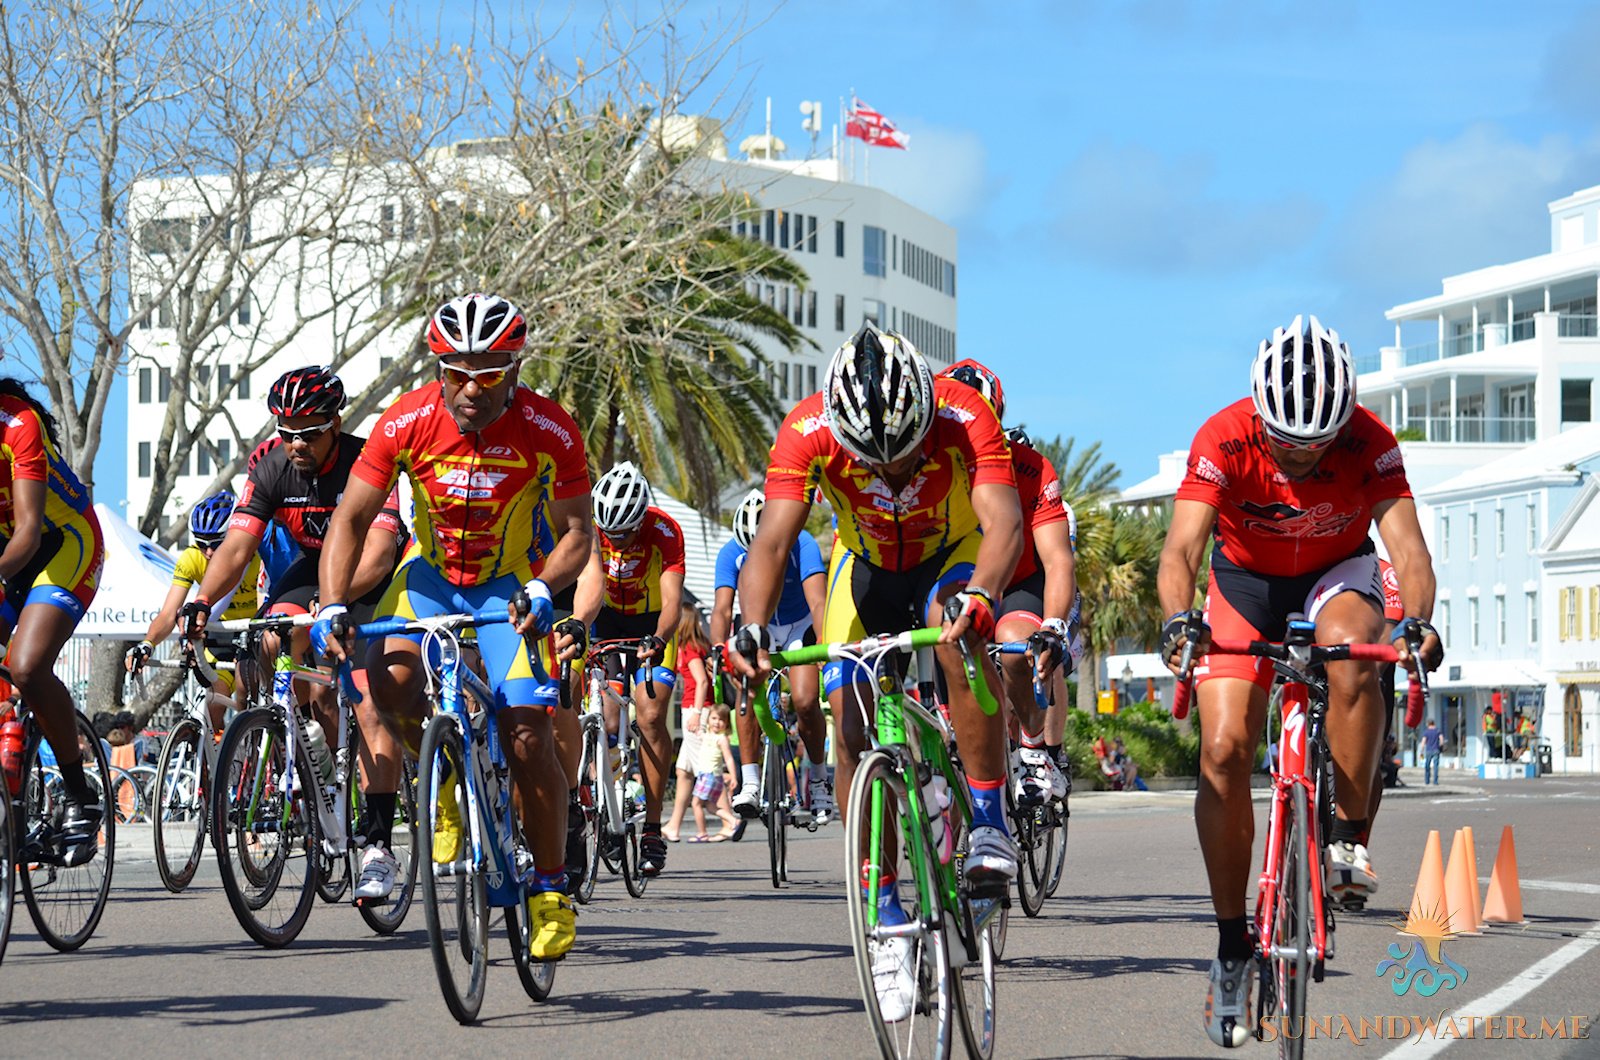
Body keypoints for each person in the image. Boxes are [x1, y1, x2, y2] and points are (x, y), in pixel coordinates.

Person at [1156, 314, 1443, 1048]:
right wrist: (1178, 619)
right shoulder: (1222, 436)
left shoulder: (1372, 443)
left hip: (1335, 575)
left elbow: (1408, 550)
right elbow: (1183, 550)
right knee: (1221, 751)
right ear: (1260, 413)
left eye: (1318, 445)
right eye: (1288, 443)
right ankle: (1230, 948)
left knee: (1353, 652)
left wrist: (1419, 623)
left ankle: (1347, 837)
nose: (1303, 456)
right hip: (1244, 581)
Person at [731, 323, 1023, 1025]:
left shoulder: (963, 412)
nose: (892, 473)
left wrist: (984, 595)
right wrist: (749, 628)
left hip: (949, 555)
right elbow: (772, 541)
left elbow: (1004, 520)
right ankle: (883, 911)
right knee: (847, 710)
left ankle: (986, 817)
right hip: (863, 570)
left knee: (958, 626)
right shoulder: (806, 430)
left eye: (907, 456)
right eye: (874, 463)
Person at [315, 293, 592, 961]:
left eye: (490, 372)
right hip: (429, 577)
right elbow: (351, 521)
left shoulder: (550, 429)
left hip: (507, 587)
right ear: (438, 368)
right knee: (390, 683)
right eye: (457, 371)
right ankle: (440, 774)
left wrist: (542, 584)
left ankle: (550, 889)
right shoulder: (405, 420)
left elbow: (579, 534)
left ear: (515, 368)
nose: (472, 389)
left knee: (527, 734)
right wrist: (329, 604)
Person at [183, 365, 407, 902]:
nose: (296, 442)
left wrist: (331, 604)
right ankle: (307, 744)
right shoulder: (270, 463)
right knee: (268, 639)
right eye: (286, 431)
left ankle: (378, 843)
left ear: (336, 422)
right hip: (313, 566)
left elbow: (375, 554)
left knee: (373, 698)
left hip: (375, 573)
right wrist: (201, 601)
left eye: (308, 431)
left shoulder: (365, 459)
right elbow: (237, 547)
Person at [940, 362, 1073, 807]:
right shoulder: (928, 469)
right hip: (956, 583)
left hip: (1018, 581)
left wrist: (1054, 625)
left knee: (1016, 644)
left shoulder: (1031, 468)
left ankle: (1037, 749)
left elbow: (1056, 559)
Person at [0, 378, 106, 863]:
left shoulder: (18, 423)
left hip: (62, 543)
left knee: (25, 666)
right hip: (9, 553)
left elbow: (25, 532)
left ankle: (79, 794)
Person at [569, 462, 684, 878]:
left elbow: (672, 601)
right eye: (608, 532)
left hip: (651, 624)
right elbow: (590, 582)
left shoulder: (665, 531)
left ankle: (652, 829)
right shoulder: (594, 529)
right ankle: (603, 797)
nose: (614, 540)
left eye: (623, 533)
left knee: (651, 716)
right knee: (605, 712)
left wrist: (659, 638)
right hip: (607, 620)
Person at [710, 489, 832, 826]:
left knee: (807, 701)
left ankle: (819, 779)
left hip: (798, 626)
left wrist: (823, 643)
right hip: (756, 625)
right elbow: (721, 609)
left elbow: (818, 601)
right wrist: (719, 648)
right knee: (747, 686)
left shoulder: (802, 542)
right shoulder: (729, 552)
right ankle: (750, 781)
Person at [126, 491, 261, 730]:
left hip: (252, 632)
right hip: (219, 636)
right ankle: (212, 762)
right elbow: (168, 613)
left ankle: (253, 753)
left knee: (245, 695)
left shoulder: (258, 555)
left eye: (217, 544)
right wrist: (147, 644)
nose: (208, 553)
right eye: (201, 544)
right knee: (211, 708)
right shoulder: (190, 559)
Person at [664, 602, 713, 843]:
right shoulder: (694, 647)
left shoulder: (690, 649)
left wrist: (696, 712)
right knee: (683, 770)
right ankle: (673, 825)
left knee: (705, 768)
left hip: (696, 710)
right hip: (694, 709)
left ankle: (728, 818)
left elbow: (702, 681)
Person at [689, 704, 740, 842]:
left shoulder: (721, 739)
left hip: (709, 775)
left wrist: (733, 776)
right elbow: (699, 733)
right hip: (709, 775)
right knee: (711, 807)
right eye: (714, 718)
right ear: (709, 719)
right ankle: (733, 821)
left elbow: (728, 758)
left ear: (727, 723)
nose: (717, 722)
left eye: (721, 720)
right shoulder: (709, 735)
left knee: (696, 803)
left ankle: (702, 833)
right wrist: (693, 721)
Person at [1421, 718, 1442, 784]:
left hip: (1429, 750)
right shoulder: (1438, 731)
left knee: (1427, 766)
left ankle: (1427, 781)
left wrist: (1421, 750)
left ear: (1428, 724)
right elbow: (1441, 740)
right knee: (1436, 766)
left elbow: (1423, 742)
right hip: (1436, 749)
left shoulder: (1426, 732)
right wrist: (1440, 746)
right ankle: (1435, 781)